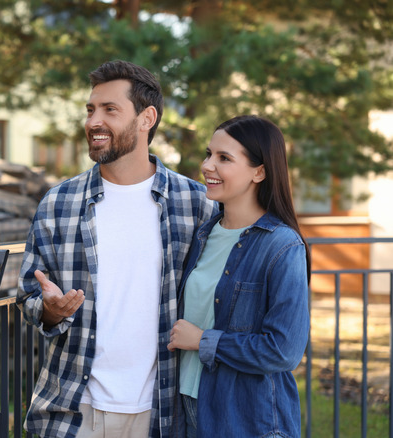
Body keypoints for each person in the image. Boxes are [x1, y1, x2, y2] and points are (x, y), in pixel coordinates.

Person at [17, 60, 217, 438]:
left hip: (164, 411)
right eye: (91, 109)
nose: (94, 121)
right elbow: (28, 294)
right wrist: (49, 311)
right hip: (75, 409)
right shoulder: (59, 202)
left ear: (146, 118)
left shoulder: (196, 204)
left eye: (110, 110)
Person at [167, 115, 310, 437]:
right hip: (188, 405)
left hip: (244, 417)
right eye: (208, 154)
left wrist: (203, 340)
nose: (207, 166)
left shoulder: (282, 246)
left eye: (224, 158)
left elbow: (283, 351)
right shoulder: (204, 235)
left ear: (259, 171)